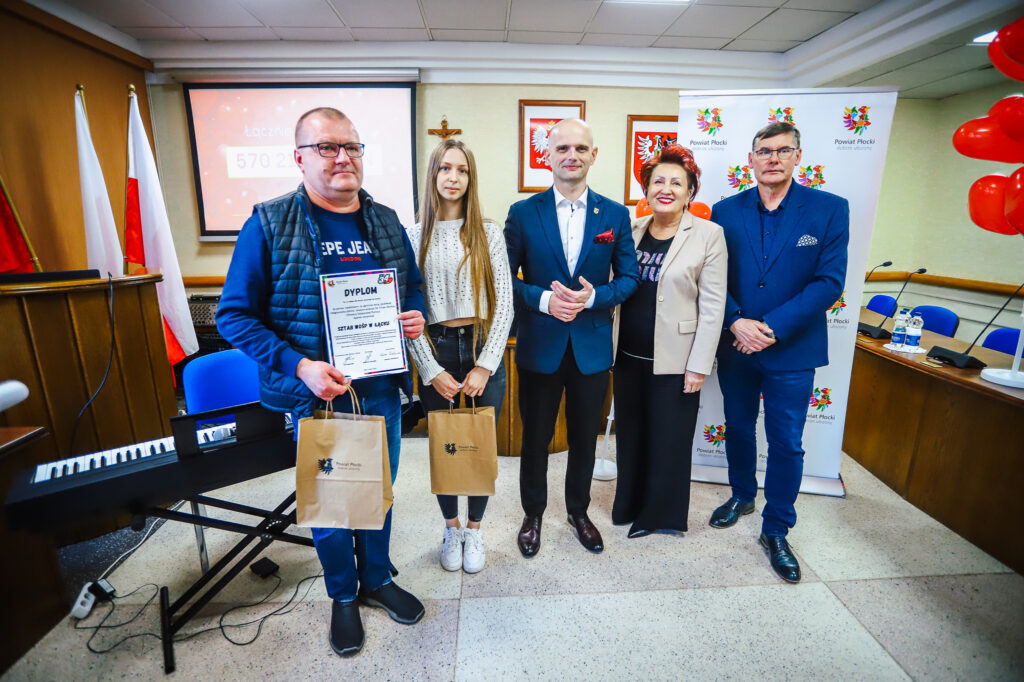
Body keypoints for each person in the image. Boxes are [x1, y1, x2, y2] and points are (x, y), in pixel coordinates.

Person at [216, 107, 428, 657]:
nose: (342, 158)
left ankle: (377, 579)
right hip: (316, 396)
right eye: (327, 147)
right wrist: (299, 366)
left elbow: (415, 288)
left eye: (352, 147)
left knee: (376, 492)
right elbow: (233, 316)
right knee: (333, 503)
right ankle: (342, 595)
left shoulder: (384, 221)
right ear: (300, 158)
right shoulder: (269, 222)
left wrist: (415, 315)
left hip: (379, 387)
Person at [708, 122, 849, 583]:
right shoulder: (725, 211)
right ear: (750, 159)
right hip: (736, 344)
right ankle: (742, 494)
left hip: (793, 349)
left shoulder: (829, 209)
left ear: (797, 156)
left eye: (782, 150)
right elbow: (713, 277)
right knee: (739, 428)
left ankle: (776, 528)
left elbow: (828, 282)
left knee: (786, 441)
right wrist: (735, 320)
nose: (772, 158)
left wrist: (770, 328)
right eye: (764, 151)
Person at [505, 118, 639, 557]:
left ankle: (579, 512)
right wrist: (544, 300)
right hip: (539, 345)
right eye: (562, 148)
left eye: (581, 148)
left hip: (591, 348)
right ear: (547, 155)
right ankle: (533, 514)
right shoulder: (523, 213)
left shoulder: (615, 215)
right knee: (535, 438)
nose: (572, 156)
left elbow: (630, 279)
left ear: (593, 155)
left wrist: (594, 296)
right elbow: (504, 280)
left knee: (584, 437)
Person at [406, 139, 514, 574]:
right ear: (433, 175)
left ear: (471, 179)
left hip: (481, 344)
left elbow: (503, 300)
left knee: (479, 448)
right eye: (445, 169)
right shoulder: (413, 235)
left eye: (462, 170)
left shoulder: (488, 232)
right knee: (447, 448)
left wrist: (486, 365)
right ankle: (451, 526)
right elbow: (408, 311)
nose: (453, 178)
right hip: (436, 347)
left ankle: (475, 528)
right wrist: (431, 370)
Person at [611, 145, 727, 538]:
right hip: (626, 355)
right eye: (658, 180)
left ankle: (659, 515)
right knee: (631, 434)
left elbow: (712, 307)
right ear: (645, 189)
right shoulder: (632, 229)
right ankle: (627, 503)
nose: (666, 188)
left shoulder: (709, 235)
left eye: (677, 182)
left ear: (690, 192)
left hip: (678, 360)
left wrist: (699, 364)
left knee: (669, 439)